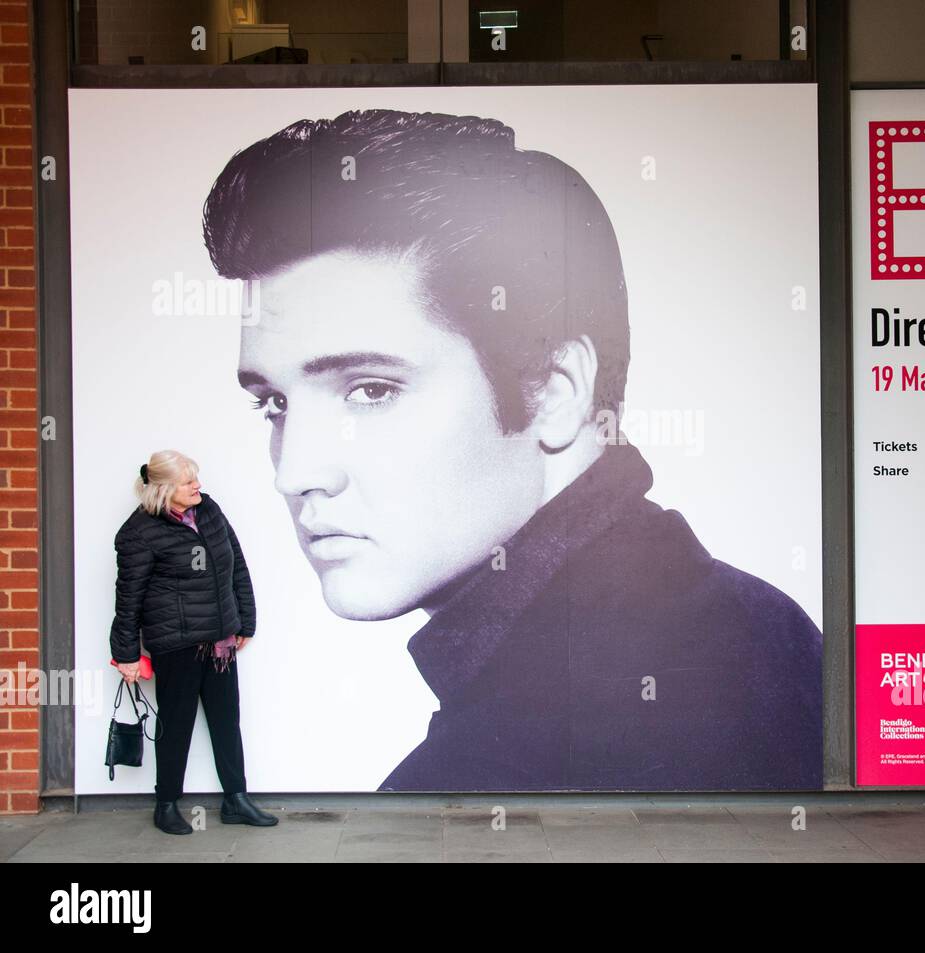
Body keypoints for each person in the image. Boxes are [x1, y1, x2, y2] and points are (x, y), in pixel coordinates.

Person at [203, 109, 822, 791]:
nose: (295, 472)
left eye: (371, 390)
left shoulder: (470, 793)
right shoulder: (765, 623)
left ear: (557, 392)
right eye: (276, 403)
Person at [109, 450, 278, 832]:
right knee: (176, 724)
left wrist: (245, 622)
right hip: (177, 643)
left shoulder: (208, 509)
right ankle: (166, 803)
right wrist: (127, 655)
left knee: (226, 720)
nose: (198, 486)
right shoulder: (138, 533)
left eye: (195, 478)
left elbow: (235, 560)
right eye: (188, 482)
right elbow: (128, 599)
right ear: (166, 488)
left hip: (220, 639)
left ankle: (236, 799)